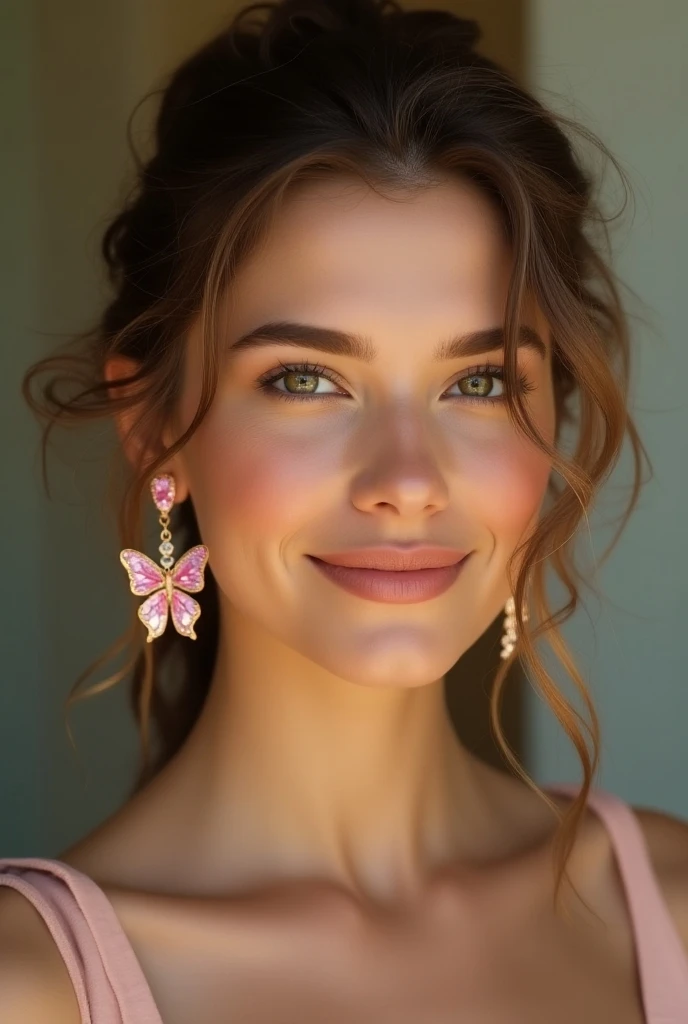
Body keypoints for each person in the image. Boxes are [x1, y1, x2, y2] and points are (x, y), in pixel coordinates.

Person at [1, 0, 687, 1020]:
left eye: (480, 382)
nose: (406, 478)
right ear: (153, 426)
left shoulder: (670, 913)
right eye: (306, 380)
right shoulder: (31, 988)